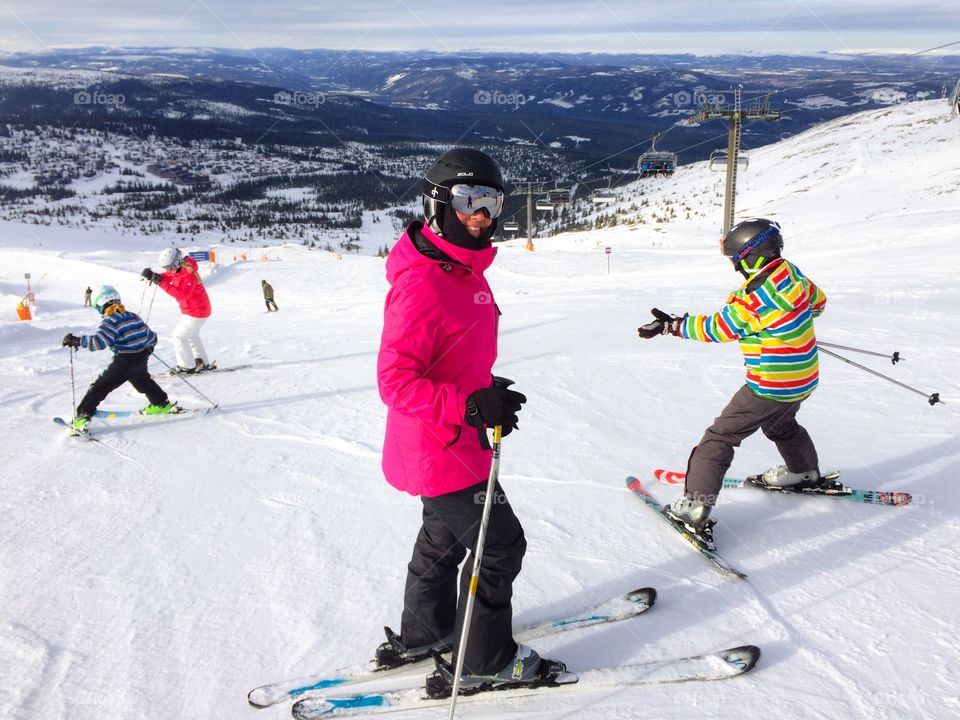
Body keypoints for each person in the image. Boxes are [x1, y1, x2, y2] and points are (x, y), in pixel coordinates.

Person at [376, 147, 552, 695]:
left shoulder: (459, 267)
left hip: (450, 440)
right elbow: (395, 381)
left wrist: (483, 389)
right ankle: (483, 661)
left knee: (443, 540)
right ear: (437, 204)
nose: (483, 214)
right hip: (442, 446)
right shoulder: (425, 282)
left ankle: (426, 634)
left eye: (492, 201)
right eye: (468, 200)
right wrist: (468, 405)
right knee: (500, 545)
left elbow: (451, 355)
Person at [638, 218, 827, 550]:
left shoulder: (755, 297)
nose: (734, 265)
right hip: (804, 378)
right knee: (781, 424)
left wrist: (671, 326)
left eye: (735, 258)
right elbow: (818, 302)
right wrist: (790, 323)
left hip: (769, 385)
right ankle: (803, 471)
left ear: (750, 256)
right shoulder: (791, 274)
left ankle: (695, 506)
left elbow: (718, 328)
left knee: (719, 437)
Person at [62, 285, 177, 433]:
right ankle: (161, 403)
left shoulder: (110, 322)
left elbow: (99, 342)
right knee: (142, 380)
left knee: (100, 387)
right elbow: (152, 337)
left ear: (100, 306)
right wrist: (146, 349)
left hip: (124, 361)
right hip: (141, 356)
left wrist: (78, 341)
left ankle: (83, 416)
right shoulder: (132, 316)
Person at [142, 248, 213, 374]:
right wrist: (155, 276)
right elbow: (169, 275)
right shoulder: (180, 268)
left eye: (169, 267)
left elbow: (181, 295)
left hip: (197, 311)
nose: (168, 271)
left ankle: (186, 366)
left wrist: (161, 282)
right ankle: (201, 361)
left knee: (178, 336)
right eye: (166, 268)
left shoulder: (188, 274)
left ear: (177, 262)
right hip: (194, 310)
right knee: (191, 335)